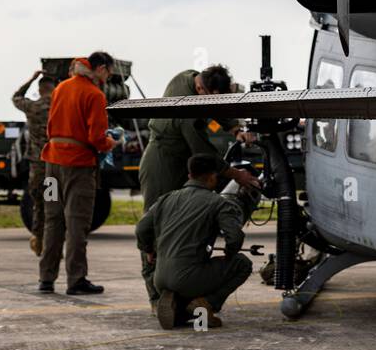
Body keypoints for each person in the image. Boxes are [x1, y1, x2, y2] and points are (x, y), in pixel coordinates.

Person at [138, 64, 257, 305]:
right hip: (162, 160)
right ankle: (157, 297)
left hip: (182, 159)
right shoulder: (186, 109)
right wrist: (236, 175)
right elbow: (203, 152)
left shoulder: (190, 76)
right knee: (157, 222)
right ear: (202, 88)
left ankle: (182, 287)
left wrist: (235, 128)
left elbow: (216, 107)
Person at [136, 153, 254, 330]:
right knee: (242, 264)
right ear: (213, 177)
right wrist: (230, 253)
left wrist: (149, 250)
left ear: (189, 175)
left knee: (190, 280)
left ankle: (178, 308)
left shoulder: (166, 199)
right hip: (189, 277)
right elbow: (235, 236)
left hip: (160, 278)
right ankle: (207, 304)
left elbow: (141, 228)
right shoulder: (217, 202)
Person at [38, 52, 116, 295]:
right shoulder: (94, 94)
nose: (108, 78)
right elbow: (96, 137)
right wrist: (109, 143)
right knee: (76, 223)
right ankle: (76, 280)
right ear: (101, 69)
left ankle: (46, 279)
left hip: (51, 163)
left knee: (52, 220)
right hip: (78, 166)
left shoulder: (61, 87)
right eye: (109, 73)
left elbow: (50, 125)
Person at [12, 69, 56, 255]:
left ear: (39, 90)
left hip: (37, 167)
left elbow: (16, 97)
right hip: (54, 166)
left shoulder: (32, 107)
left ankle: (39, 243)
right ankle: (54, 245)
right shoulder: (59, 107)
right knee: (54, 205)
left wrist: (32, 78)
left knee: (39, 205)